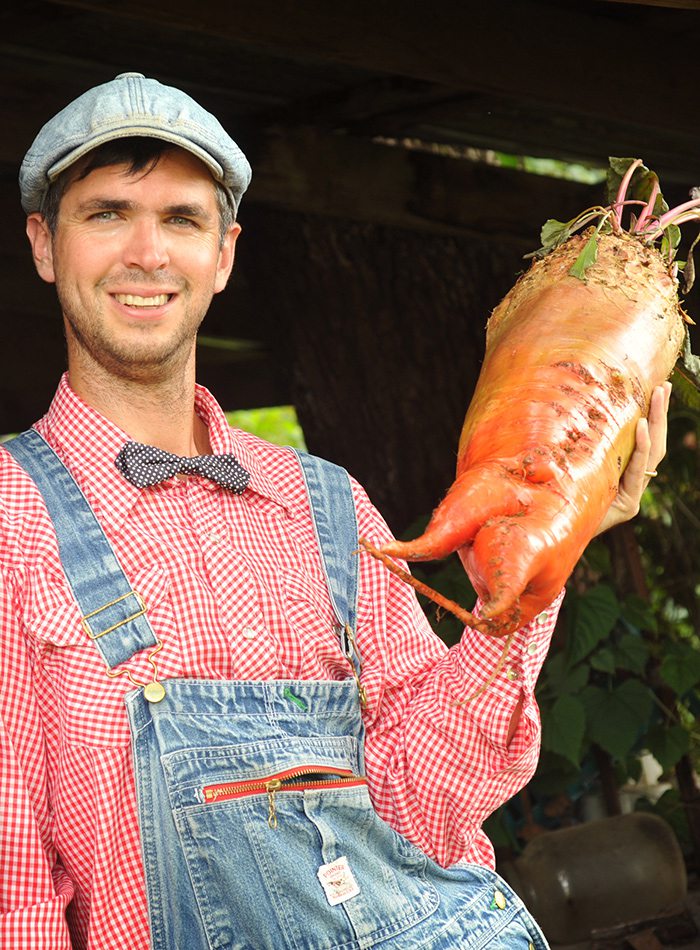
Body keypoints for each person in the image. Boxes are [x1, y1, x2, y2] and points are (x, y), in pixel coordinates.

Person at [0, 72, 669, 950]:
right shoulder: (12, 520)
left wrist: (544, 552)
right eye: (107, 213)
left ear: (225, 253)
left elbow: (420, 813)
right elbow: (16, 899)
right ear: (45, 244)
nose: (146, 252)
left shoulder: (325, 502)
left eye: (182, 219)